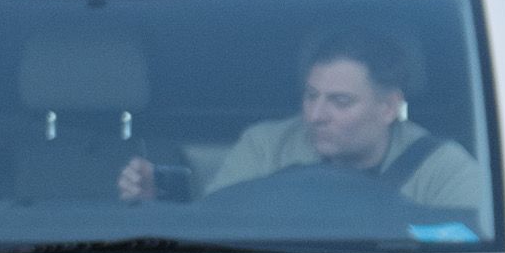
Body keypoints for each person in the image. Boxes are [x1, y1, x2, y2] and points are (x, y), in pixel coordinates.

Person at [128, 24, 486, 215]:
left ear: (389, 107)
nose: (315, 116)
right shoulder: (266, 146)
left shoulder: (443, 170)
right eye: (311, 96)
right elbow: (216, 229)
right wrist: (159, 205)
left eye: (340, 102)